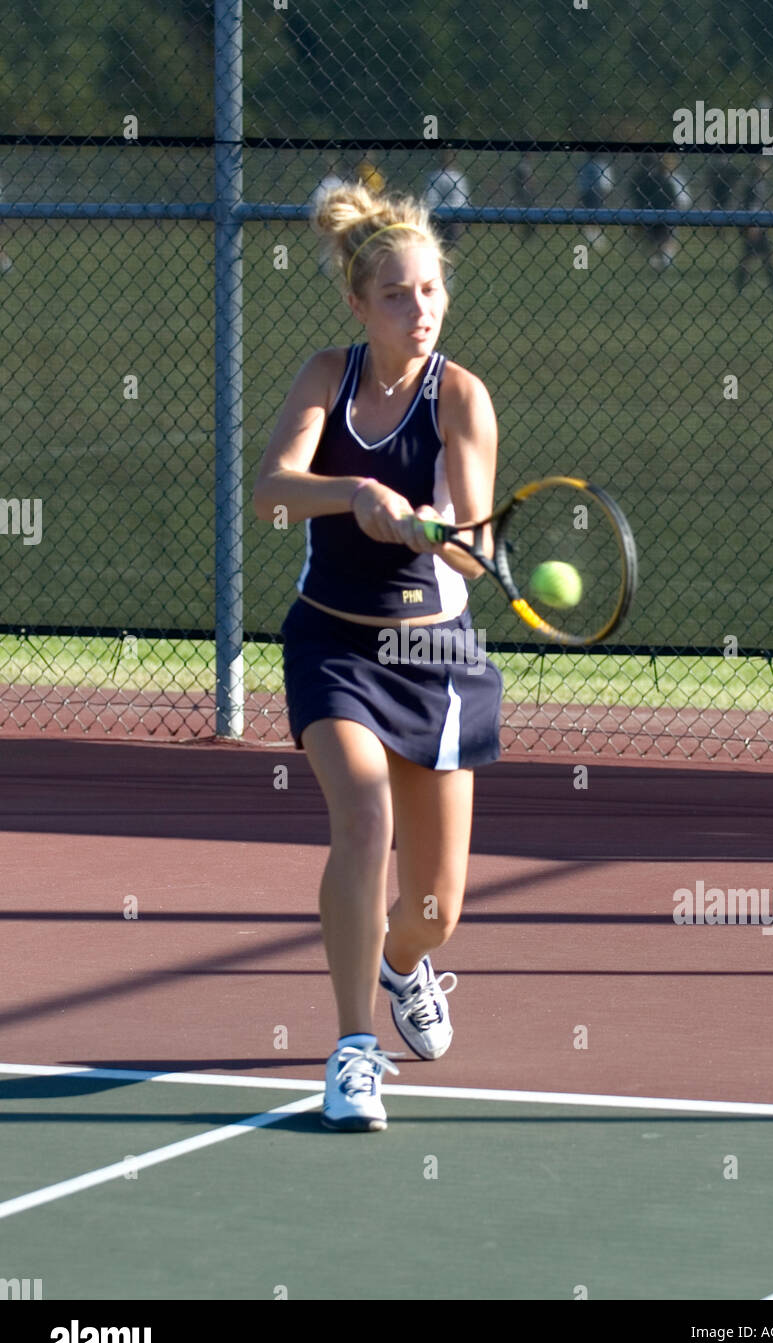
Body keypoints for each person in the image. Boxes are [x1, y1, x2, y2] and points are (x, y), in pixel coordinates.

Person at [254, 182, 503, 1133]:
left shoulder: (463, 398)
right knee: (362, 818)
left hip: (435, 657)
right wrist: (354, 492)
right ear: (360, 306)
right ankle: (353, 1050)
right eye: (397, 295)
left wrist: (428, 531)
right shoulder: (326, 376)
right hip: (333, 646)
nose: (420, 310)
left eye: (431, 291)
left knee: (436, 908)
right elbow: (272, 490)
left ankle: (405, 965)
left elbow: (474, 547)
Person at [735, 157, 773, 296]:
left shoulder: (759, 184)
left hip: (758, 225)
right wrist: (752, 226)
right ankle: (742, 285)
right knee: (757, 256)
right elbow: (750, 206)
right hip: (755, 226)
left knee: (757, 256)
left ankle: (742, 285)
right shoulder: (754, 185)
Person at [423, 150, 470, 278]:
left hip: (441, 218)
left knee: (443, 251)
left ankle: (444, 277)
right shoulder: (452, 177)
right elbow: (461, 201)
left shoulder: (441, 177)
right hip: (449, 218)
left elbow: (430, 199)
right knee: (446, 251)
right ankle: (445, 278)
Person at [629, 153, 680, 271]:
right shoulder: (661, 179)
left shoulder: (639, 179)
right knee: (661, 239)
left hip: (649, 214)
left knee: (655, 240)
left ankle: (659, 260)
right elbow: (673, 198)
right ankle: (661, 260)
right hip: (662, 214)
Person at [577, 155, 614, 249]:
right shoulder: (602, 165)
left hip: (587, 194)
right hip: (597, 193)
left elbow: (581, 183)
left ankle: (592, 238)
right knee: (598, 216)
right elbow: (607, 184)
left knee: (588, 216)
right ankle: (596, 239)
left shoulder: (585, 166)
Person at [510, 154, 537, 242]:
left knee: (530, 216)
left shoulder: (525, 166)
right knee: (527, 216)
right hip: (524, 195)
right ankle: (527, 235)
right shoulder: (522, 167)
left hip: (527, 195)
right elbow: (526, 181)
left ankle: (528, 235)